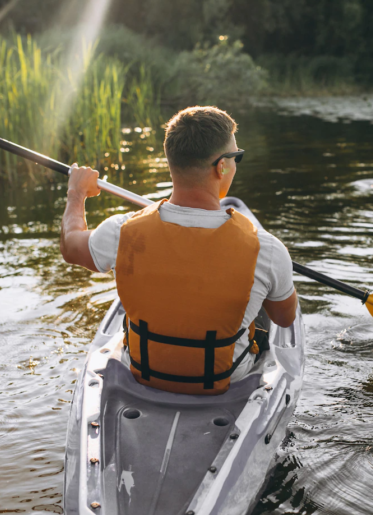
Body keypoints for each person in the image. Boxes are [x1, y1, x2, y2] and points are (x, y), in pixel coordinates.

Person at [59, 106, 298, 395]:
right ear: (222, 166)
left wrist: (77, 193)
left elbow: (71, 246)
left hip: (143, 375)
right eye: (237, 157)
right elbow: (285, 319)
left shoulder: (121, 231)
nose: (236, 164)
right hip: (227, 383)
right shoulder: (267, 249)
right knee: (263, 303)